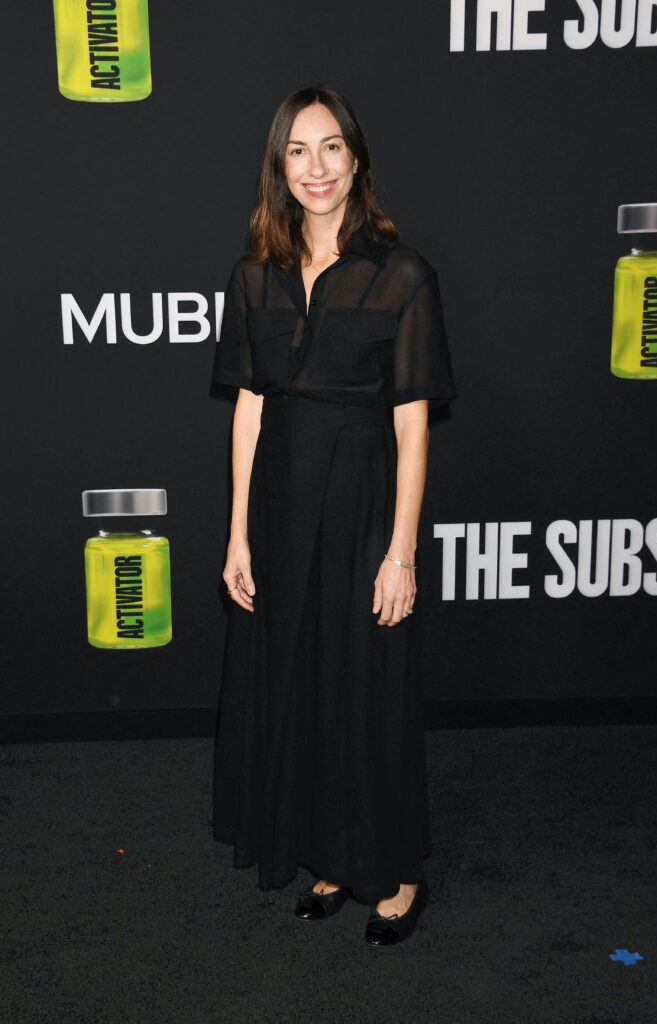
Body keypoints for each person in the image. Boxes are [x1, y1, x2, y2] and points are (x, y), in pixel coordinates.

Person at [209, 85, 457, 948]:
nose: (315, 168)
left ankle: (397, 871)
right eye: (297, 151)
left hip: (362, 506)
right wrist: (238, 534)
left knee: (367, 689)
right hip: (280, 506)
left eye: (331, 148)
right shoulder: (255, 276)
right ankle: (330, 851)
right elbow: (249, 409)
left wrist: (402, 552)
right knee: (302, 682)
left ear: (357, 159)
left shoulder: (402, 275)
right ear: (278, 168)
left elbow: (412, 425)